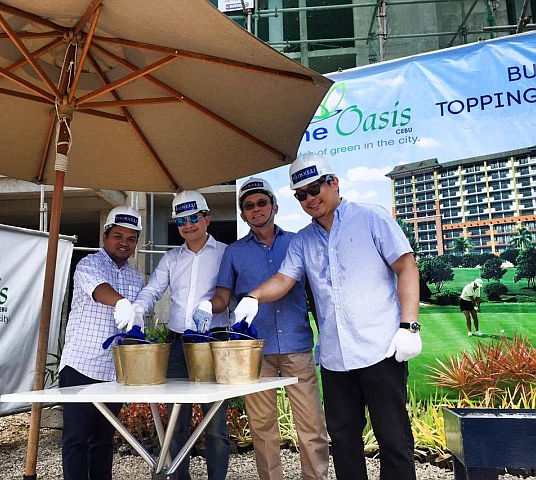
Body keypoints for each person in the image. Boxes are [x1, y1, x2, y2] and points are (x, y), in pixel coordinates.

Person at [233, 153, 422, 480]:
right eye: (301, 195)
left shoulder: (370, 218)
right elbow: (283, 280)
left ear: (333, 183)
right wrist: (253, 296)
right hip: (335, 360)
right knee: (345, 442)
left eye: (314, 188)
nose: (309, 198)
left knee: (393, 441)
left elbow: (406, 267)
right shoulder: (303, 240)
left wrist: (409, 326)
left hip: (381, 350)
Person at [198, 176, 329, 480]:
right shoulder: (234, 252)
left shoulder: (298, 241)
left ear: (275, 207)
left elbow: (316, 295)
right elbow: (222, 296)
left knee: (311, 428)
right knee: (263, 428)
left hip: (297, 346)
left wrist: (325, 337)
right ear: (243, 215)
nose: (256, 209)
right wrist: (208, 305)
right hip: (254, 353)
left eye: (261, 203)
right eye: (249, 206)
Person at [127, 190, 231, 480]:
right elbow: (153, 289)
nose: (188, 225)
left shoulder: (225, 253)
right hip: (176, 345)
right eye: (181, 220)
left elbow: (231, 293)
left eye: (194, 217)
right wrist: (137, 307)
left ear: (207, 218)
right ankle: (177, 476)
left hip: (213, 343)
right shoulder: (171, 258)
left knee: (215, 423)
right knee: (176, 421)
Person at [58, 206, 145, 480]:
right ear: (105, 236)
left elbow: (136, 321)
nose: (124, 243)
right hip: (80, 367)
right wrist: (120, 302)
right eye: (118, 235)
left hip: (113, 372)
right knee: (76, 439)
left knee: (104, 439)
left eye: (131, 238)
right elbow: (99, 290)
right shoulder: (88, 264)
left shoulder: (136, 277)